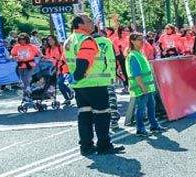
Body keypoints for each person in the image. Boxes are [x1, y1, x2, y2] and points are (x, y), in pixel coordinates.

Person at [65, 15, 124, 156]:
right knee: (102, 115)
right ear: (80, 25)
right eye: (89, 21)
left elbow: (64, 63)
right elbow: (83, 61)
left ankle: (86, 147)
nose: (92, 23)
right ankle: (104, 146)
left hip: (80, 86)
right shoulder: (87, 40)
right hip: (94, 84)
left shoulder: (69, 40)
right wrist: (79, 74)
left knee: (84, 116)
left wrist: (74, 78)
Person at [126, 32, 164, 137]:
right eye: (139, 39)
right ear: (132, 41)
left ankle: (154, 125)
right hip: (140, 87)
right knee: (141, 109)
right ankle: (140, 128)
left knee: (152, 106)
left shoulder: (140, 53)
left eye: (142, 39)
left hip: (147, 87)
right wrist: (143, 88)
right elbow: (136, 75)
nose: (142, 41)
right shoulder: (133, 55)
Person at [10, 33, 41, 107]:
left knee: (27, 79)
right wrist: (13, 57)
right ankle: (26, 96)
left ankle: (28, 94)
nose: (22, 41)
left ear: (26, 39)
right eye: (20, 39)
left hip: (30, 65)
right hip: (21, 65)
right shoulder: (17, 47)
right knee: (23, 81)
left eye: (23, 39)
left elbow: (39, 54)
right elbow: (12, 54)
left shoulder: (32, 46)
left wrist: (38, 58)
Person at [42, 35, 73, 104]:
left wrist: (59, 60)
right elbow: (48, 58)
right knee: (59, 84)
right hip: (54, 69)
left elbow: (65, 56)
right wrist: (44, 58)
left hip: (63, 68)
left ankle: (68, 96)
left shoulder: (60, 47)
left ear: (55, 40)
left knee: (60, 83)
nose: (50, 41)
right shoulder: (48, 49)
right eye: (48, 40)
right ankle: (68, 96)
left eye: (51, 40)